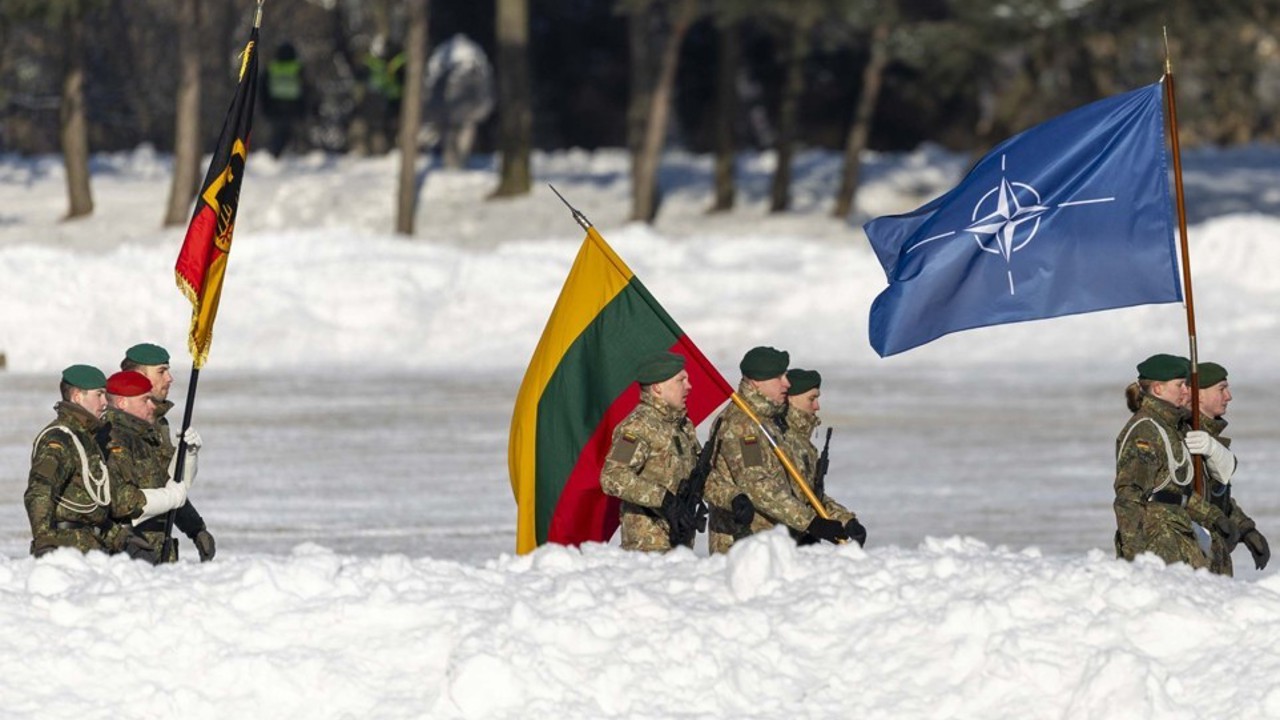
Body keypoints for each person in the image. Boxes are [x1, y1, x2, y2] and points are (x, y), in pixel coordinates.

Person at [704, 347, 849, 554]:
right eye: (779, 377)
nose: (787, 384)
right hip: (746, 547)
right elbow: (758, 486)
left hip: (773, 543)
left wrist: (841, 520)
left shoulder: (768, 422)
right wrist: (810, 523)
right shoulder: (742, 426)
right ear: (756, 382)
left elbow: (794, 486)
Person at [1113, 354, 1232, 569]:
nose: (1187, 391)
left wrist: (1214, 517)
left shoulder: (1171, 427)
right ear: (1158, 389)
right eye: (1180, 385)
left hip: (1178, 536)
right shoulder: (1146, 430)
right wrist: (1135, 559)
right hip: (1157, 542)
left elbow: (1177, 492)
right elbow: (1129, 496)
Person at [24, 365, 148, 558]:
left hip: (92, 549)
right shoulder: (59, 439)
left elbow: (91, 509)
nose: (105, 402)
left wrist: (122, 539)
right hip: (67, 552)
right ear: (77, 397)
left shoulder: (86, 438)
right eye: (98, 395)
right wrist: (44, 542)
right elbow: (39, 491)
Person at [599, 351, 702, 551]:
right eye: (681, 380)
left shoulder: (682, 425)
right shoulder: (637, 428)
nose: (689, 386)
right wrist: (663, 499)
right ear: (657, 388)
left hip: (680, 541)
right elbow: (612, 476)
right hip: (647, 547)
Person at [122, 343, 216, 561]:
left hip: (159, 549)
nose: (170, 378)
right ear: (139, 377)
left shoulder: (158, 424)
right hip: (128, 556)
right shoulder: (116, 427)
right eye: (161, 371)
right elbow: (117, 501)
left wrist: (195, 528)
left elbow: (169, 485)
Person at [103, 370, 201, 564]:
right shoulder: (113, 438)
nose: (152, 406)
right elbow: (124, 502)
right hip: (127, 554)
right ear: (123, 403)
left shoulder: (144, 436)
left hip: (154, 548)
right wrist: (171, 497)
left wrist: (189, 454)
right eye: (145, 400)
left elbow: (174, 485)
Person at [1191, 362, 1268, 575]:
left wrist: (1246, 529)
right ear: (1199, 395)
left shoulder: (1209, 436)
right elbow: (1182, 497)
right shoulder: (1189, 438)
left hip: (1216, 553)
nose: (1229, 396)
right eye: (1221, 389)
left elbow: (1217, 494)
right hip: (1193, 556)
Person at [781, 368, 866, 546]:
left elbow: (809, 495)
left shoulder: (801, 442)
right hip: (774, 544)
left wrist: (845, 520)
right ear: (790, 398)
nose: (817, 406)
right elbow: (772, 495)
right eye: (811, 399)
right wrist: (813, 524)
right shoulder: (779, 440)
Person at [423, 34, 494, 169]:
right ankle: (455, 164)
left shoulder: (445, 61)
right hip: (459, 113)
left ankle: (456, 164)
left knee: (457, 136)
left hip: (456, 112)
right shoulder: (473, 61)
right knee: (455, 137)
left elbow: (430, 87)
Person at [261, 41, 311, 157]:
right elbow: (307, 89)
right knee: (292, 133)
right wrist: (305, 108)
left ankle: (275, 156)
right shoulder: (298, 68)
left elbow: (262, 89)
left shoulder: (271, 68)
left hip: (275, 106)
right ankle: (293, 154)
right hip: (294, 105)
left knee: (277, 134)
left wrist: (265, 107)